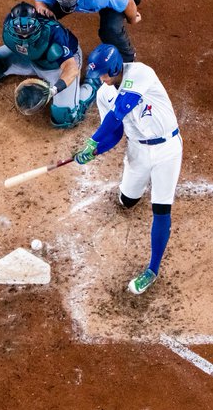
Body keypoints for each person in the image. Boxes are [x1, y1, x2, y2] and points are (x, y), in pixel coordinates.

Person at [72, 43, 182, 295]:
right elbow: (115, 132)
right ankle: (133, 193)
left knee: (161, 208)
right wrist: (95, 150)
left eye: (102, 74)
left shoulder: (140, 73)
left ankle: (152, 270)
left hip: (167, 149)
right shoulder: (104, 94)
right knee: (127, 201)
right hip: (138, 151)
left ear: (112, 68)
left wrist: (93, 138)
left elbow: (121, 109)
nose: (99, 79)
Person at [0, 2, 97, 128]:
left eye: (29, 31)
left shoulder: (54, 33)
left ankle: (92, 83)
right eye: (19, 30)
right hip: (29, 59)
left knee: (65, 118)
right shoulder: (9, 25)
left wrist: (54, 89)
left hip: (56, 67)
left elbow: (71, 69)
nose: (24, 35)